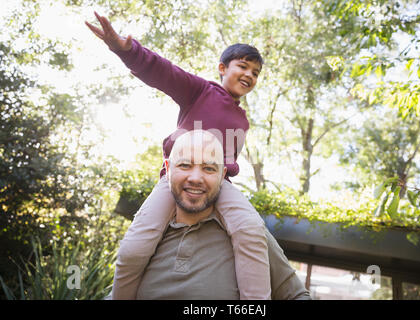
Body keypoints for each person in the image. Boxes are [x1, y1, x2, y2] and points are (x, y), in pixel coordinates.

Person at [85, 12, 270, 299]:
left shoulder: (243, 121)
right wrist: (126, 50)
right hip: (175, 182)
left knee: (251, 229)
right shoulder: (201, 91)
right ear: (222, 68)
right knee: (135, 246)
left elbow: (227, 163)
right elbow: (164, 72)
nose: (249, 75)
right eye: (243, 67)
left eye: (255, 73)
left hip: (219, 186)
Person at [124, 130, 310, 299]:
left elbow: (296, 295)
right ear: (168, 169)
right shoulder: (146, 238)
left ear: (222, 176)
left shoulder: (249, 234)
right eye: (185, 165)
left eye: (209, 168)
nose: (196, 178)